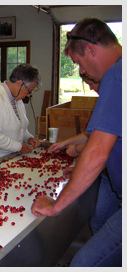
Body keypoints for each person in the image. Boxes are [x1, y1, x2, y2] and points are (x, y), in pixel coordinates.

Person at [31, 18, 122, 266]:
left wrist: (55, 205)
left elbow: (97, 152)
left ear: (91, 50)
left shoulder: (116, 76)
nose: (82, 71)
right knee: (100, 223)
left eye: (79, 63)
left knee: (84, 263)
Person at [0, 64, 41, 160]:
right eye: (29, 91)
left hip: (9, 156)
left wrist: (28, 138)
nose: (28, 95)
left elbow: (19, 128)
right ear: (19, 83)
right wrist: (18, 147)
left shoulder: (16, 99)